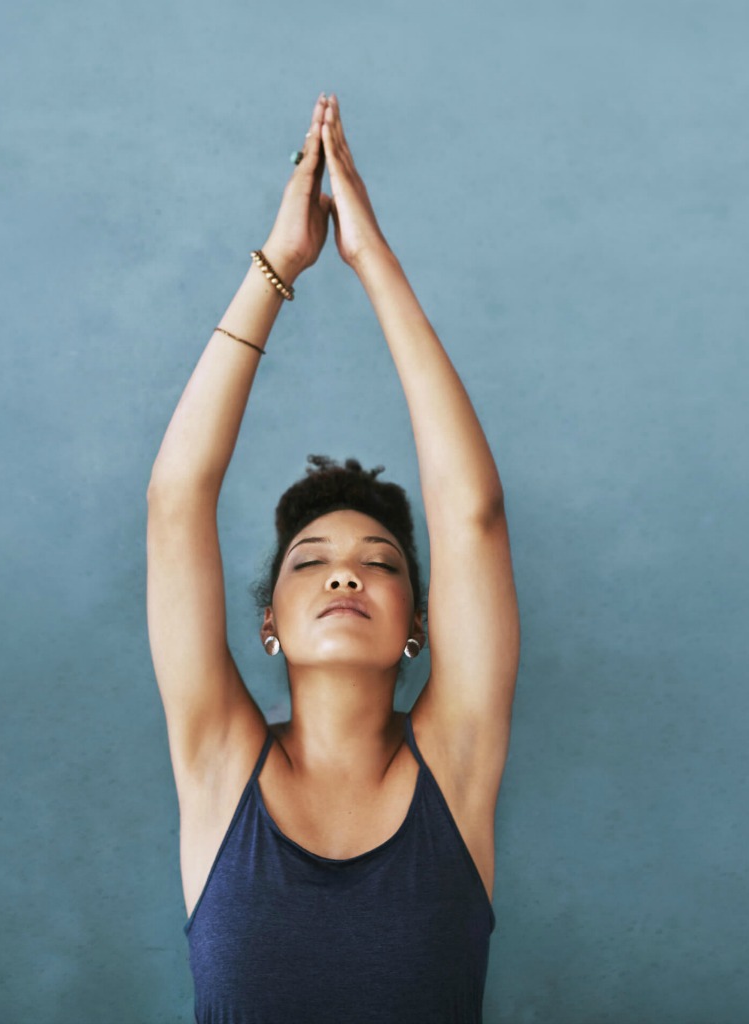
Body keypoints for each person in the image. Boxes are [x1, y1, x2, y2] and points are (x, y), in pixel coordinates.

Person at [145, 92, 519, 1022]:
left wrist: (371, 259)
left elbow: (471, 513)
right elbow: (174, 502)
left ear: (421, 628)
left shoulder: (454, 765)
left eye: (383, 562)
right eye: (311, 560)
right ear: (267, 620)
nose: (347, 572)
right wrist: (279, 266)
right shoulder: (219, 763)